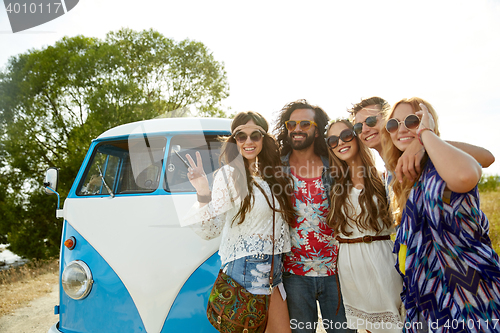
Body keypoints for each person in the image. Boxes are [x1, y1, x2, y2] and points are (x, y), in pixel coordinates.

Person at [381, 97, 500, 332]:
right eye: (393, 124)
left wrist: (425, 136)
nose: (402, 128)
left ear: (428, 123)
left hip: (468, 291)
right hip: (425, 294)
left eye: (412, 120)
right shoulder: (403, 177)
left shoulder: (444, 162)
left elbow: (476, 165)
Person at [183, 111, 296, 333]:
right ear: (234, 141)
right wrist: (203, 192)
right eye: (240, 136)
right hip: (244, 272)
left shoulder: (274, 176)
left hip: (274, 271)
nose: (248, 142)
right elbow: (210, 230)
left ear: (264, 138)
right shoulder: (229, 175)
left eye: (255, 135)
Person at [274, 100, 351, 333]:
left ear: (317, 130)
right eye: (292, 123)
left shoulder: (335, 165)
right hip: (294, 274)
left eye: (305, 123)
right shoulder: (277, 169)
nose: (297, 129)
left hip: (336, 272)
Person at [324, 118, 403, 333]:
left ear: (357, 136)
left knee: (395, 324)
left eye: (346, 135)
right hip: (349, 263)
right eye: (333, 140)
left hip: (381, 257)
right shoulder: (333, 184)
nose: (340, 142)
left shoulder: (382, 176)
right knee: (367, 329)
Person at [349, 96, 495, 182]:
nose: (365, 129)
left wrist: (422, 142)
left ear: (388, 119)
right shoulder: (387, 175)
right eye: (357, 127)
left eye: (370, 121)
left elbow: (487, 158)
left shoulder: (427, 156)